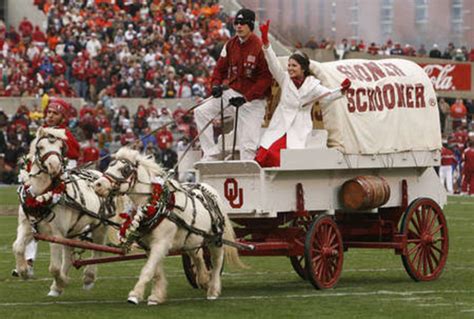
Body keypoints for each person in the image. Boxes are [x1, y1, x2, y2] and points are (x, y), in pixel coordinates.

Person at [255, 20, 351, 167]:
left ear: (303, 68)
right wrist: (266, 42)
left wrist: (342, 90)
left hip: (298, 129)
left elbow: (328, 95)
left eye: (294, 66)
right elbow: (273, 64)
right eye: (289, 65)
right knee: (265, 154)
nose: (290, 69)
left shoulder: (312, 85)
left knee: (283, 158)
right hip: (280, 126)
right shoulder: (285, 79)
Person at [12, 97, 80, 277]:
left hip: (59, 178)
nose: (50, 116)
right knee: (30, 213)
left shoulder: (65, 133)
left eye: (55, 113)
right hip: (40, 179)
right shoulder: (42, 132)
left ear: (62, 117)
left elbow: (74, 154)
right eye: (49, 112)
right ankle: (28, 261)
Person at [194, 8, 273, 161]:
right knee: (201, 112)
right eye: (236, 23)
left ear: (250, 25)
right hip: (233, 93)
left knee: (248, 146)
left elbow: (265, 79)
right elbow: (219, 69)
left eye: (242, 23)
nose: (238, 26)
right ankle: (211, 153)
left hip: (253, 102)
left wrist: (247, 97)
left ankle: (250, 176)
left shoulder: (259, 46)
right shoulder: (230, 44)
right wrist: (216, 85)